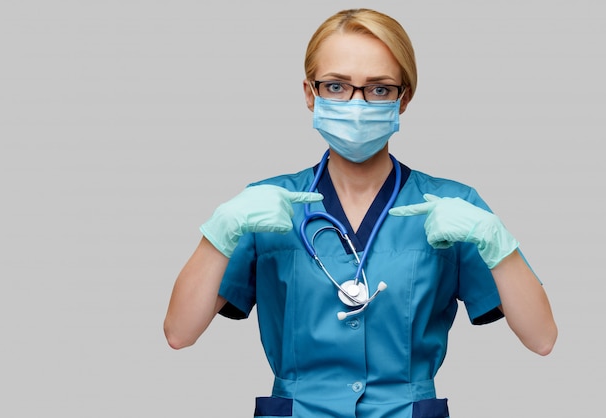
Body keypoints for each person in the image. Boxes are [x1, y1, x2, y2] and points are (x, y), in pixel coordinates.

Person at [164, 8, 557, 418]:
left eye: (379, 89)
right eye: (335, 86)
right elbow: (179, 332)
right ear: (309, 93)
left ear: (404, 98)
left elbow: (542, 338)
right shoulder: (264, 206)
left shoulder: (453, 206)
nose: (356, 103)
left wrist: (498, 242)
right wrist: (219, 231)